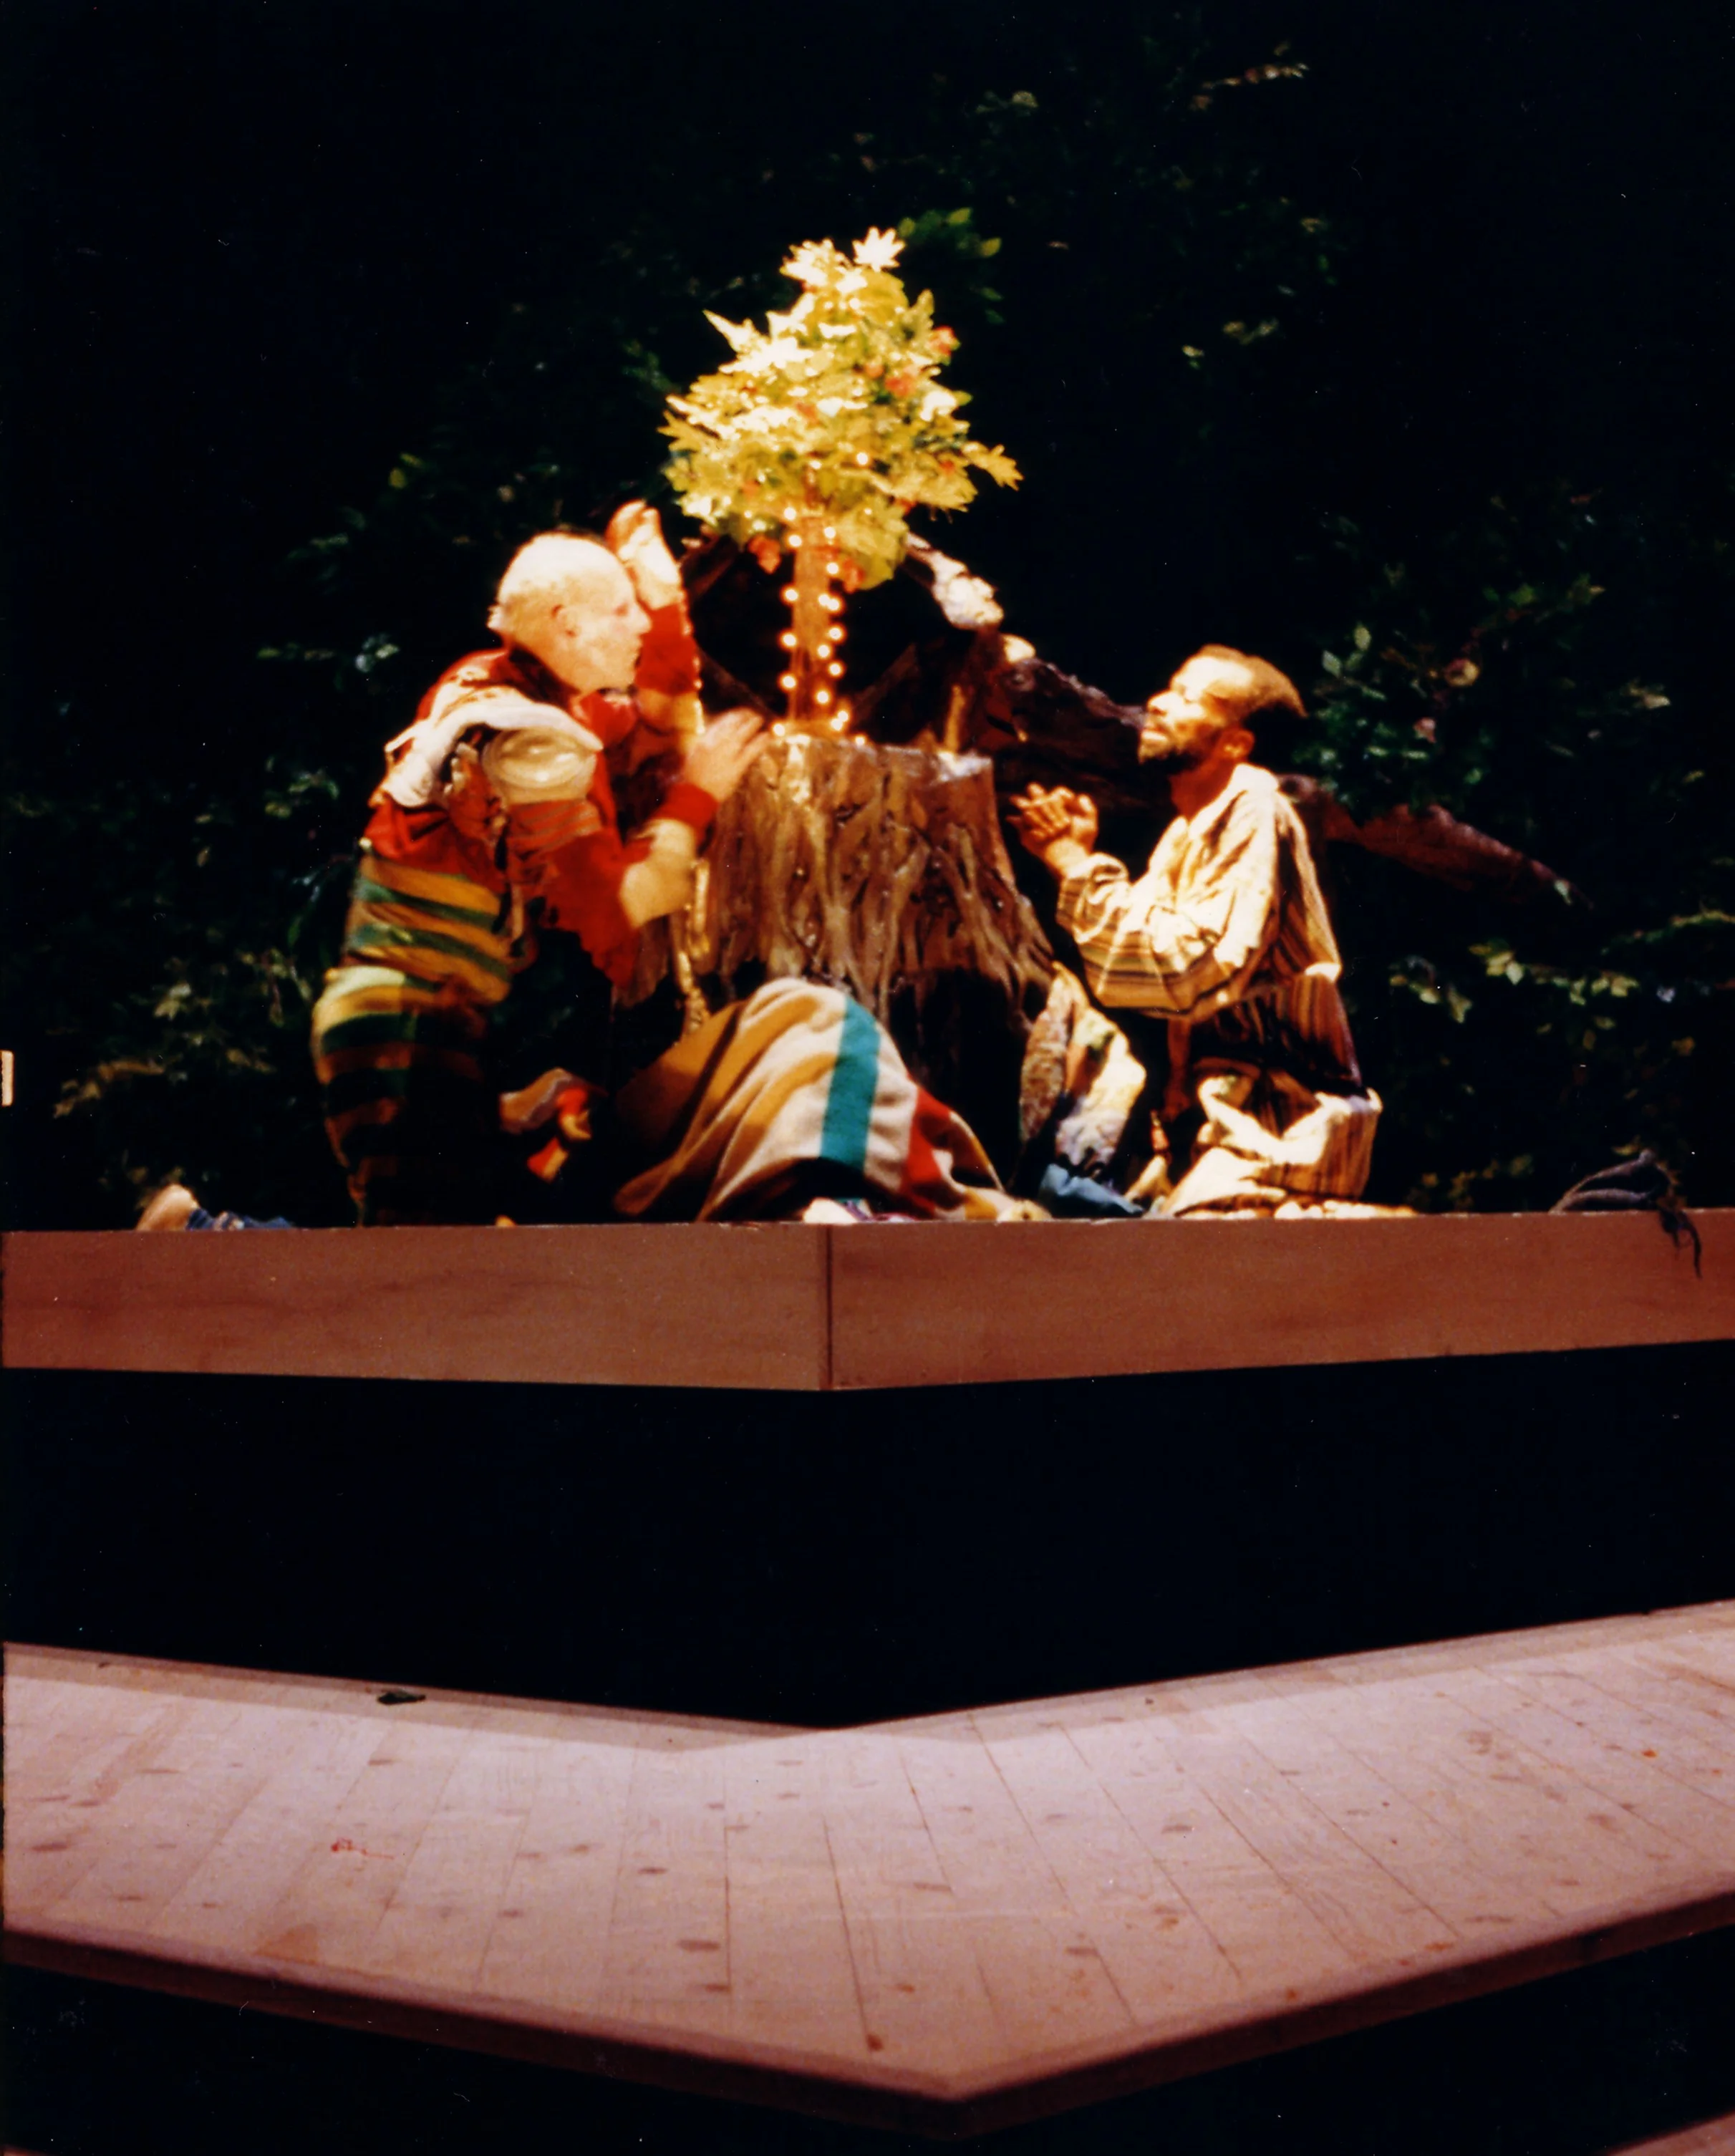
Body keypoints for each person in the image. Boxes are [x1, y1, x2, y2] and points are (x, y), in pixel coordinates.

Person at [311, 503, 765, 1224]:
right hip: (406, 1022)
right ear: (567, 623)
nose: (637, 628)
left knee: (445, 1242)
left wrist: (658, 594)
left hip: (420, 1015)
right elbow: (615, 906)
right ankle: (205, 1231)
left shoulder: (506, 689)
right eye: (620, 612)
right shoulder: (531, 738)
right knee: (418, 1258)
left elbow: (658, 715)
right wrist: (696, 796)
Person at [1008, 644, 1382, 1215]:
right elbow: (1135, 958)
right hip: (1223, 1130)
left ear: (1235, 742)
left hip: (1275, 1135)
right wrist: (1079, 855)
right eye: (1168, 687)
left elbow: (1181, 968)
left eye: (1188, 697)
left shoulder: (1254, 805)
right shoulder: (1187, 835)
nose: (1157, 703)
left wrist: (1075, 865)